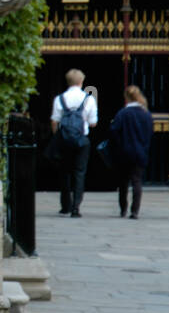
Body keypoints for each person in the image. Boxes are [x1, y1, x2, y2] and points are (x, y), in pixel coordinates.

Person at [50, 67, 98, 217]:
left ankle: (66, 205)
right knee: (79, 173)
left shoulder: (60, 99)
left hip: (64, 139)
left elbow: (54, 120)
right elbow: (93, 122)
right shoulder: (88, 99)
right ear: (81, 81)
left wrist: (58, 135)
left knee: (64, 172)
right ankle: (76, 207)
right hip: (81, 140)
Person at [109, 85, 155, 219]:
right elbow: (149, 133)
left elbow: (113, 131)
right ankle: (135, 211)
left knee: (123, 182)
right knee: (137, 181)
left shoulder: (122, 113)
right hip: (140, 152)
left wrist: (119, 144)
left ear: (127, 98)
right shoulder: (145, 114)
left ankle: (123, 209)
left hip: (124, 152)